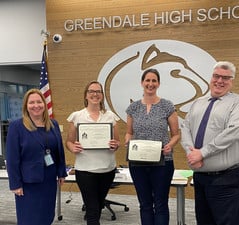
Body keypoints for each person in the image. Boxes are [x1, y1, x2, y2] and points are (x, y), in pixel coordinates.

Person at [181, 61, 239, 225]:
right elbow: (185, 127)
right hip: (200, 177)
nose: (220, 81)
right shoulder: (198, 102)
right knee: (204, 221)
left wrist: (203, 153)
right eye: (216, 76)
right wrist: (191, 153)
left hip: (227, 177)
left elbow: (233, 131)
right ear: (211, 77)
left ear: (232, 81)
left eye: (225, 78)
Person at [125, 68, 180, 225]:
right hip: (137, 162)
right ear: (142, 83)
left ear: (158, 84)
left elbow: (176, 134)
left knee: (161, 203)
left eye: (154, 80)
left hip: (163, 162)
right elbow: (129, 133)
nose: (150, 84)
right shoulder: (133, 108)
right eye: (147, 80)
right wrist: (128, 140)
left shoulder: (167, 106)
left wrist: (170, 144)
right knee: (145, 204)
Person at [6, 88, 67, 225]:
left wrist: (61, 172)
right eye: (31, 102)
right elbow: (12, 158)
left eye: (39, 102)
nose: (36, 105)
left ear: (44, 105)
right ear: (26, 106)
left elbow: (59, 151)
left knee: (46, 216)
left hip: (49, 180)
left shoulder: (53, 124)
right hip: (28, 183)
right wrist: (15, 184)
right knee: (30, 218)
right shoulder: (17, 127)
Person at [66, 80, 120, 225]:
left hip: (107, 170)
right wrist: (73, 148)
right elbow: (69, 142)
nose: (95, 94)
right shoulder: (76, 116)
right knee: (92, 210)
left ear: (102, 95)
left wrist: (115, 145)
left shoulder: (111, 116)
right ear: (86, 95)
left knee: (99, 205)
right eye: (91, 91)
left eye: (98, 91)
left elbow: (118, 143)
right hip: (85, 171)